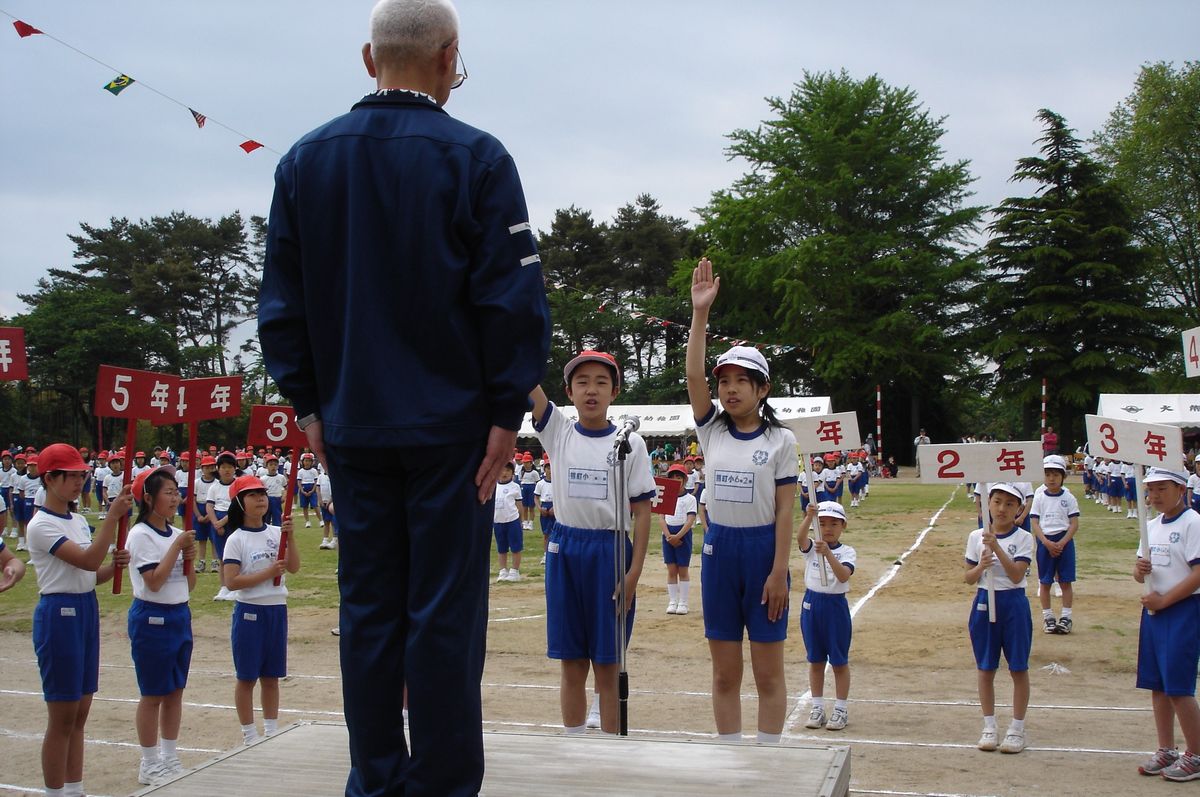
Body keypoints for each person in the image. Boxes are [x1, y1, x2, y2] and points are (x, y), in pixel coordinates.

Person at [257, 0, 550, 791]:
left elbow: (279, 309)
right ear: (451, 55)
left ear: (368, 58)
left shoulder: (304, 161)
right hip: (451, 431)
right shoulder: (478, 158)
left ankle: (376, 777)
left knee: (370, 612)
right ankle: (444, 782)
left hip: (353, 424)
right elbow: (513, 302)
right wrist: (503, 412)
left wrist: (311, 408)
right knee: (443, 617)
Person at [687, 258, 798, 744]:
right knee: (725, 675)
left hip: (763, 556)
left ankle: (768, 762)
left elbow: (785, 511)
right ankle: (732, 760)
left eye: (741, 381)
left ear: (762, 388)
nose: (730, 389)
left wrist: (778, 571)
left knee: (769, 674)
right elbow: (692, 376)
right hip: (719, 553)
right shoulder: (711, 430)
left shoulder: (782, 441)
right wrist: (699, 315)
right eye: (724, 381)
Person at [528, 350, 655, 733]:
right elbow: (525, 380)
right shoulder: (559, 431)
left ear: (614, 392)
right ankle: (574, 745)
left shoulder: (630, 442)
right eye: (582, 382)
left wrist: (633, 574)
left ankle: (611, 752)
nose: (591, 391)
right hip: (565, 549)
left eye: (601, 382)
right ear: (568, 391)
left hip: (610, 551)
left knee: (608, 664)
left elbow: (643, 512)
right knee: (572, 663)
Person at [26, 443, 132, 797]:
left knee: (81, 711)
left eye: (80, 475)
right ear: (49, 478)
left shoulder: (77, 521)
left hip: (85, 608)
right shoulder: (40, 525)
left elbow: (90, 574)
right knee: (63, 714)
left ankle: (75, 788)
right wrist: (113, 519)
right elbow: (85, 561)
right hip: (59, 615)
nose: (78, 482)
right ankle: (55, 791)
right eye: (70, 475)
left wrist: (112, 567)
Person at [126, 465, 197, 786]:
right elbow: (153, 581)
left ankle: (170, 756)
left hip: (179, 614)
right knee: (153, 693)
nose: (176, 498)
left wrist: (189, 557)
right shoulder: (140, 534)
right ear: (148, 497)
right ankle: (150, 761)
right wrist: (177, 548)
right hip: (152, 617)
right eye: (168, 492)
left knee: (175, 691)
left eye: (176, 491)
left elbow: (190, 584)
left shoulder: (174, 532)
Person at [222, 475, 300, 746]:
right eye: (252, 495)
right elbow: (231, 581)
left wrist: (290, 538)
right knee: (247, 676)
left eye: (262, 494)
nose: (260, 499)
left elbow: (293, 567)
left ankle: (271, 729)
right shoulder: (236, 539)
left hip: (277, 609)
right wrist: (268, 572)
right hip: (249, 612)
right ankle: (249, 733)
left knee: (272, 676)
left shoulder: (276, 532)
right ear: (240, 502)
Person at [1133, 467, 1200, 780]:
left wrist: (1165, 600)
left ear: (1181, 489)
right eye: (1151, 489)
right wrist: (1139, 570)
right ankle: (1166, 748)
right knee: (1157, 684)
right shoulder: (1151, 526)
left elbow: (1198, 573)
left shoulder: (1193, 523)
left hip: (1183, 611)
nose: (1155, 495)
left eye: (1162, 488)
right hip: (1154, 614)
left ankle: (1197, 754)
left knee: (1178, 686)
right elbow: (1139, 572)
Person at [964, 483, 1034, 755]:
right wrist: (981, 564)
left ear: (1019, 509)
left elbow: (1017, 575)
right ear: (987, 504)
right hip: (984, 600)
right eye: (997, 502)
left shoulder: (1024, 537)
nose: (1002, 508)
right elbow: (969, 578)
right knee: (985, 667)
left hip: (1013, 603)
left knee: (1018, 667)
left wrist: (997, 549)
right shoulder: (975, 537)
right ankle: (989, 725)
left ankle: (1017, 728)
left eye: (1009, 504)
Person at [798, 501, 856, 731]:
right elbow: (800, 540)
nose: (828, 528)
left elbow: (843, 576)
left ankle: (840, 709)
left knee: (839, 661)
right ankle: (817, 706)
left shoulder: (847, 551)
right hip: (812, 604)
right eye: (822, 523)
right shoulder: (812, 547)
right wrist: (807, 518)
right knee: (815, 660)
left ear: (843, 526)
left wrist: (829, 554)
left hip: (835, 607)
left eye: (834, 523)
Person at [1030, 456, 1080, 635]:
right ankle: (1048, 616)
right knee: (1045, 582)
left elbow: (1074, 523)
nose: (1051, 478)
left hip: (1064, 542)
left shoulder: (1069, 497)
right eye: (1047, 474)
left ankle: (1066, 617)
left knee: (1065, 581)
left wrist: (1062, 542)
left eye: (1055, 475)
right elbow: (1035, 522)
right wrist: (1045, 542)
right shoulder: (1039, 497)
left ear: (1063, 477)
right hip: (1045, 542)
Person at [661, 463, 698, 615]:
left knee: (683, 568)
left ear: (684, 479)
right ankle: (672, 600)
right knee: (671, 569)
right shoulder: (666, 496)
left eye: (679, 477)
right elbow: (661, 518)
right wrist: (668, 535)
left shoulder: (690, 499)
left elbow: (690, 520)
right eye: (673, 477)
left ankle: (683, 602)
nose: (676, 480)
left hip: (683, 535)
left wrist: (678, 536)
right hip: (668, 535)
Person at [492, 462, 523, 581]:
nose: (504, 473)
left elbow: (519, 504)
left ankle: (514, 571)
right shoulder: (494, 485)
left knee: (515, 547)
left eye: (508, 471)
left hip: (512, 520)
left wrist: (520, 520)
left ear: (512, 473)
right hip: (498, 521)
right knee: (501, 547)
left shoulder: (515, 486)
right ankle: (503, 570)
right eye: (502, 470)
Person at [533, 460, 555, 566]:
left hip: (555, 507)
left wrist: (555, 508)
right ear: (545, 469)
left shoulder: (558, 482)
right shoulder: (540, 484)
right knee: (546, 533)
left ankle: (555, 554)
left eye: (551, 467)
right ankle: (546, 554)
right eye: (548, 468)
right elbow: (536, 498)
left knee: (556, 533)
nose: (550, 470)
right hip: (545, 506)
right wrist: (539, 508)